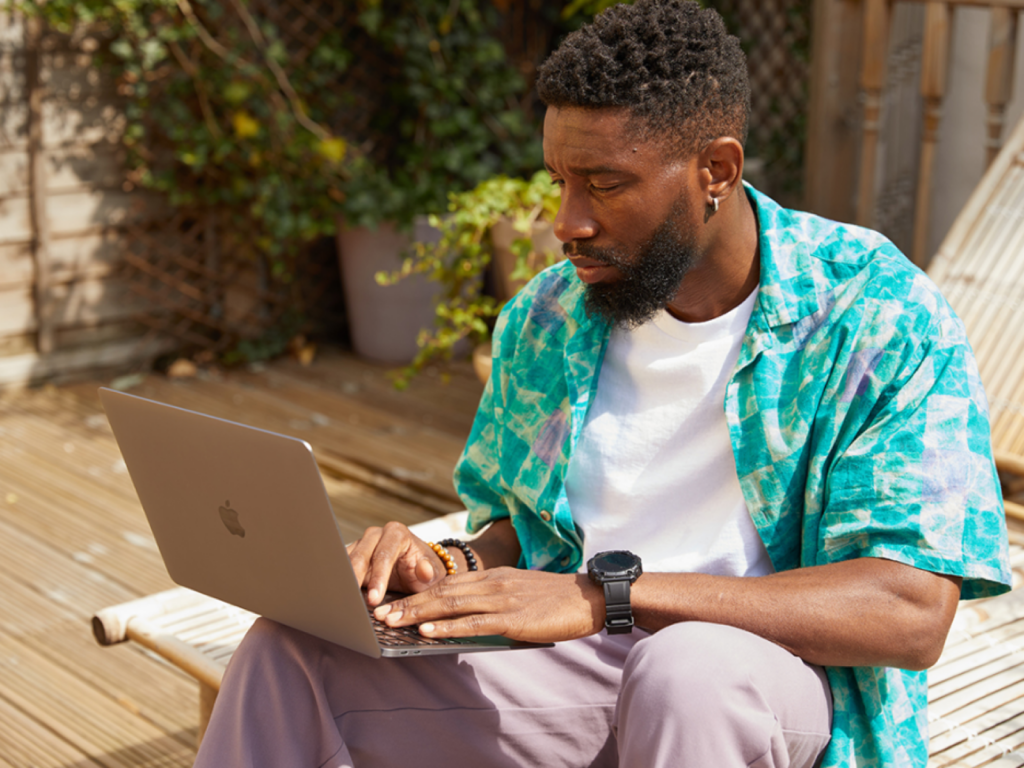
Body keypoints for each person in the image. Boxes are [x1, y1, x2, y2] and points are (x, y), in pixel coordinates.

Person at [193, 2, 1012, 766]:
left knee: (686, 671)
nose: (567, 221)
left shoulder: (876, 314)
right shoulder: (548, 317)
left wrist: (606, 597)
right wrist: (441, 562)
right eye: (560, 181)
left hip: (770, 681)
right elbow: (516, 530)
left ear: (714, 170)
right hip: (572, 668)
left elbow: (908, 611)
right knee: (291, 650)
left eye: (606, 184)